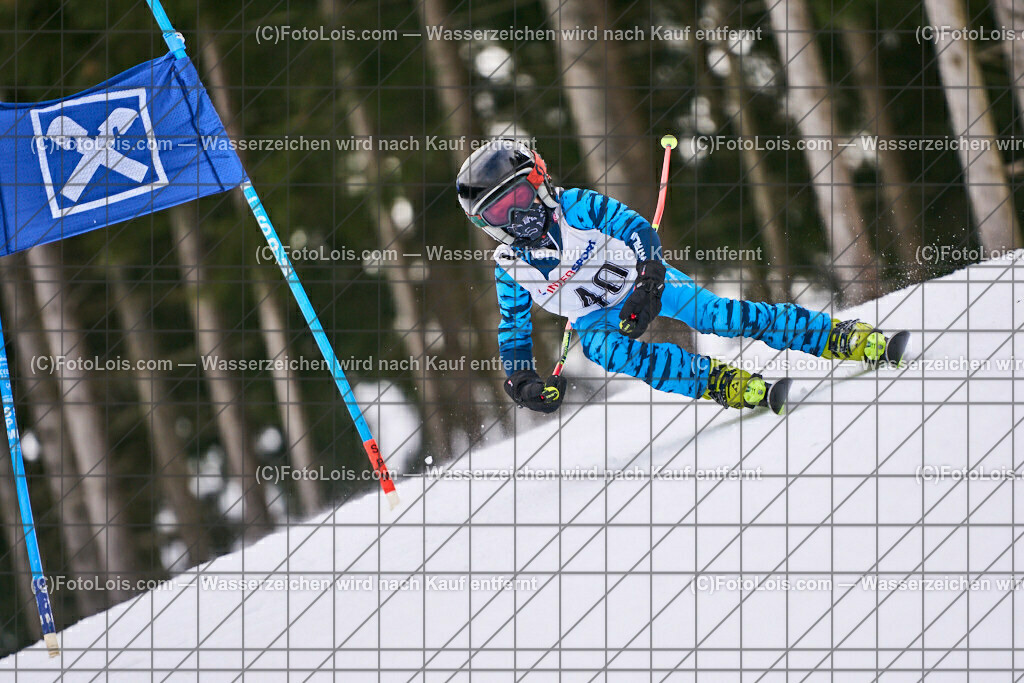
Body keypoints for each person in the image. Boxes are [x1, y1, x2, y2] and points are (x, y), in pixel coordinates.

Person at [456, 139, 897, 414]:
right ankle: (717, 382)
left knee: (721, 317)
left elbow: (637, 229)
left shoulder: (575, 207)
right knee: (609, 352)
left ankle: (835, 335)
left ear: (537, 181)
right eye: (498, 212)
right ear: (487, 224)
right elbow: (512, 330)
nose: (516, 217)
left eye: (516, 197)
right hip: (596, 320)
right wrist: (521, 381)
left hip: (641, 277)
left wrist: (649, 281)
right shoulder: (511, 267)